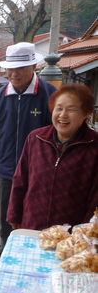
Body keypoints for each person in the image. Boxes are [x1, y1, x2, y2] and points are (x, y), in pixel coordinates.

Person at [0, 42, 57, 248]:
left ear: (33, 67)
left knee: (37, 214)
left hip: (39, 171)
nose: (14, 73)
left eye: (21, 68)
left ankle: (35, 254)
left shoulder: (49, 94)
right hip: (6, 170)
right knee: (7, 216)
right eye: (11, 68)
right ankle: (6, 253)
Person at [7, 84, 98, 231]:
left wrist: (85, 232)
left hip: (71, 234)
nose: (63, 115)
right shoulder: (36, 138)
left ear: (85, 113)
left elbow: (95, 198)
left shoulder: (94, 146)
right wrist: (14, 214)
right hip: (32, 224)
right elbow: (20, 179)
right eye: (59, 108)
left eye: (71, 109)